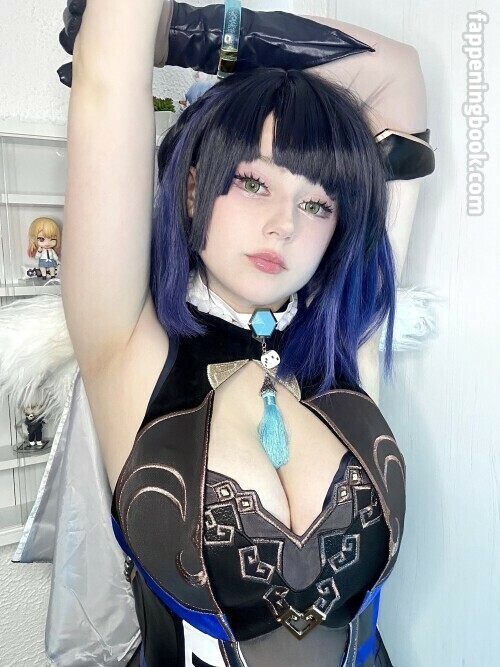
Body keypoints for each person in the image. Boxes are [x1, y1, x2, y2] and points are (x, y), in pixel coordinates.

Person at [48, 1, 435, 665]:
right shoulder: (130, 348)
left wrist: (191, 34)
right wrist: (152, 36)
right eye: (252, 181)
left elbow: (398, 76)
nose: (284, 223)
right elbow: (110, 61)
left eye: (316, 201)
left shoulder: (349, 344)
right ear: (192, 188)